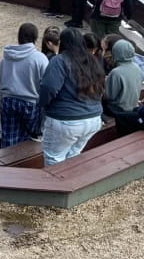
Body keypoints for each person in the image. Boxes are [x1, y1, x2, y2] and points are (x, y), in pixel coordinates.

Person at [38, 27, 105, 165]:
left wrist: (43, 104)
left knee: (54, 158)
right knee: (73, 156)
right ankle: (71, 184)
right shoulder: (92, 60)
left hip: (66, 120)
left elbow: (48, 88)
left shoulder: (60, 60)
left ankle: (56, 186)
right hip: (93, 118)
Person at [0, 23, 49, 147]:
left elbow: (0, 81)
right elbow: (45, 84)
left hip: (8, 101)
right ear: (36, 38)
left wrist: (1, 99)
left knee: (9, 140)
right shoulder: (40, 58)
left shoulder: (5, 58)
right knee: (31, 140)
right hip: (30, 103)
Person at [103, 39, 144, 117]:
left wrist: (106, 83)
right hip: (133, 106)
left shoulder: (116, 72)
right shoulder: (137, 67)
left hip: (118, 109)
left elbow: (110, 97)